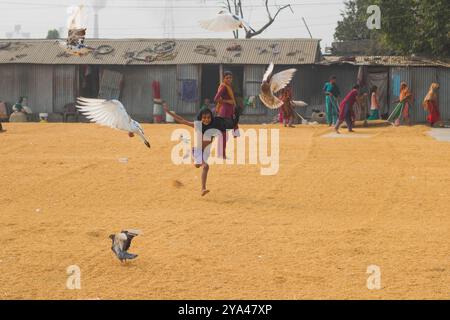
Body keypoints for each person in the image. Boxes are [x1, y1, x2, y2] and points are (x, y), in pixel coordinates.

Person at [163, 103, 234, 197]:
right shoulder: (198, 125)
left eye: (208, 117)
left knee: (198, 165)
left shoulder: (215, 126)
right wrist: (169, 112)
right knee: (205, 166)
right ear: (200, 118)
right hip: (197, 151)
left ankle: (195, 161)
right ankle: (203, 189)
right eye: (204, 117)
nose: (206, 119)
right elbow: (182, 120)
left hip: (205, 152)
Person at [214, 71, 240, 158]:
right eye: (227, 78)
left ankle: (221, 153)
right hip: (224, 112)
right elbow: (216, 98)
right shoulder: (224, 87)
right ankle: (221, 154)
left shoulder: (228, 87)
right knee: (224, 134)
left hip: (228, 112)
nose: (229, 79)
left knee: (225, 134)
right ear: (224, 79)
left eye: (230, 78)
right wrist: (227, 101)